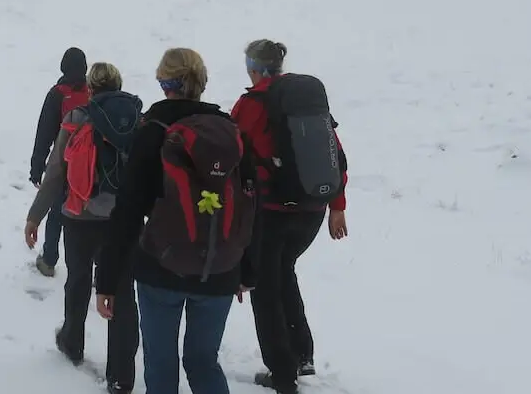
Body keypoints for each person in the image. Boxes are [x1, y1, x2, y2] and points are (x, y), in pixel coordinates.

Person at [95, 48, 257, 394]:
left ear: (165, 83)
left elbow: (127, 210)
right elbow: (249, 203)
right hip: (219, 269)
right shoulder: (230, 132)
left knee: (160, 362)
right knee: (204, 362)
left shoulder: (153, 131)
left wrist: (106, 279)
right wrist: (245, 269)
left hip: (161, 268)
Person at [230, 40, 350, 394]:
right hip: (311, 211)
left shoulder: (251, 104)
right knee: (283, 271)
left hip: (271, 211)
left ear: (253, 68)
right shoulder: (306, 102)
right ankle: (301, 354)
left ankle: (282, 373)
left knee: (265, 286)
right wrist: (337, 206)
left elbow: (235, 156)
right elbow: (335, 155)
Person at [24, 62, 142, 394]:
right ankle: (121, 376)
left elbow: (56, 172)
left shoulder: (77, 118)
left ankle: (72, 341)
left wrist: (35, 216)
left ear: (91, 88)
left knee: (77, 280)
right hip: (123, 221)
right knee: (122, 292)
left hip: (80, 216)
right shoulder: (137, 120)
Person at [29, 47, 90, 277]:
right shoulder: (94, 91)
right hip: (91, 165)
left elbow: (44, 133)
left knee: (56, 212)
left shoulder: (57, 94)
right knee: (90, 216)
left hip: (63, 164)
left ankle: (49, 260)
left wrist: (37, 167)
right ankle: (95, 268)